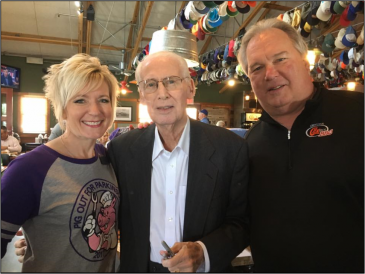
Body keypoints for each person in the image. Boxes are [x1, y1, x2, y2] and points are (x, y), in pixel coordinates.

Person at [237, 18, 364, 272]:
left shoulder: (357, 113)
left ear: (305, 62)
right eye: (257, 67)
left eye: (281, 59)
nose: (270, 74)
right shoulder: (249, 145)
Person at [107, 51, 250, 272]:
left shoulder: (230, 148)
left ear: (190, 88)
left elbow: (241, 222)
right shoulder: (121, 151)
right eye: (151, 84)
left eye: (171, 81)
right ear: (142, 95)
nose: (162, 94)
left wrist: (203, 251)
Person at [1, 53, 120, 272]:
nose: (95, 110)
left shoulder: (109, 159)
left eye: (103, 99)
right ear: (63, 108)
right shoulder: (29, 170)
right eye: (80, 100)